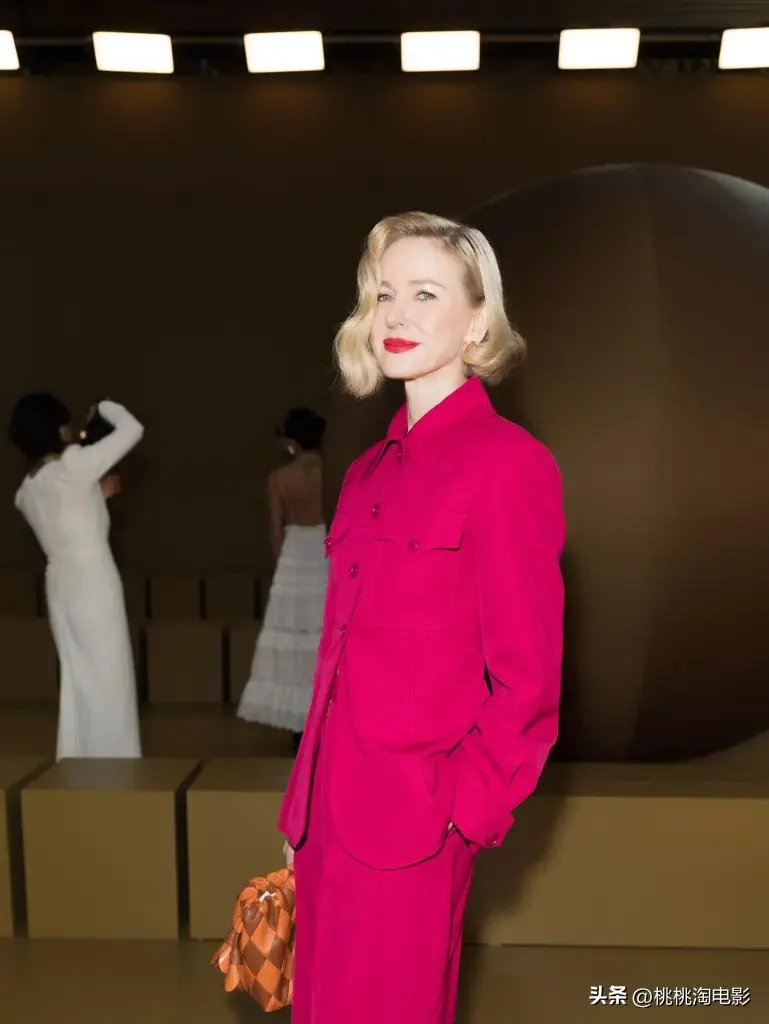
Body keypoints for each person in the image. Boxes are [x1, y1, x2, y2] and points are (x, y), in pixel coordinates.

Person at [279, 212, 566, 1024]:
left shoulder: (509, 466)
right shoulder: (364, 474)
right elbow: (335, 661)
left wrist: (460, 813)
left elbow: (528, 680)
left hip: (412, 830)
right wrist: (300, 815)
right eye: (383, 294)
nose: (395, 314)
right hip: (324, 822)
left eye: (425, 293)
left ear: (477, 321)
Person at [9, 395, 144, 759]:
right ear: (56, 429)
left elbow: (66, 515)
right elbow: (133, 429)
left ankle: (80, 762)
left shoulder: (28, 489)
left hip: (60, 585)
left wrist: (96, 495)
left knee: (79, 679)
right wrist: (104, 406)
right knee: (111, 677)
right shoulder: (73, 466)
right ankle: (117, 766)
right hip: (94, 578)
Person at [237, 408, 328, 753]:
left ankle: (300, 722)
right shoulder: (334, 472)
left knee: (296, 638)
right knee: (326, 636)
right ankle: (327, 717)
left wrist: (282, 569)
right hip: (328, 549)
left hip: (295, 554)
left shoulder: (279, 477)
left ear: (292, 440)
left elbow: (275, 531)